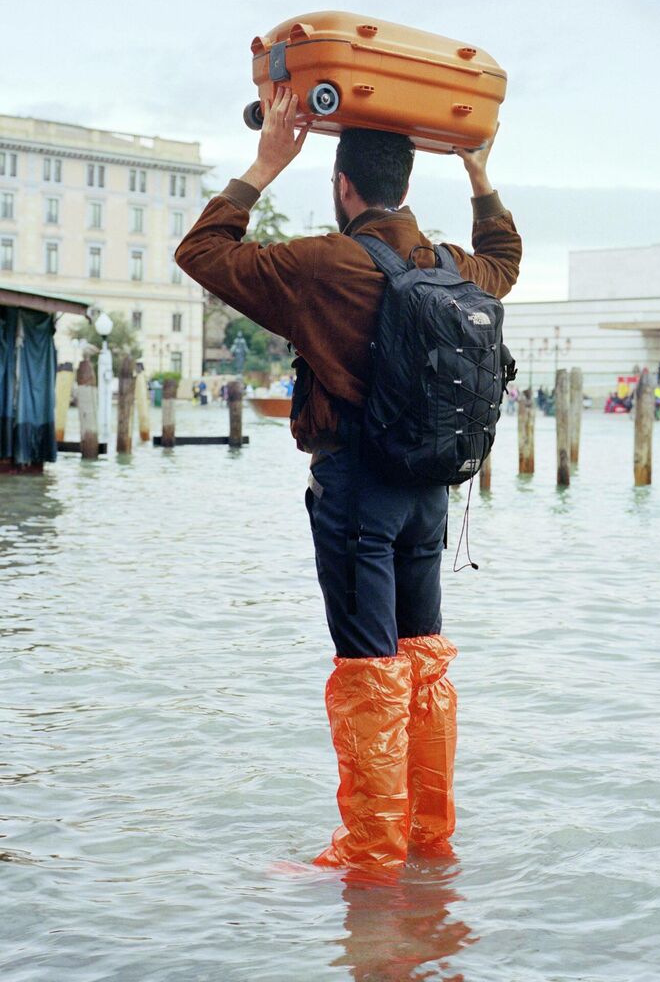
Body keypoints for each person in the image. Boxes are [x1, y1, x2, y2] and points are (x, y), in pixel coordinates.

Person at [175, 87, 522, 873]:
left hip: (358, 492)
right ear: (405, 183)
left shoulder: (324, 264)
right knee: (421, 657)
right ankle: (427, 838)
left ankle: (370, 857)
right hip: (429, 495)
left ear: (343, 186)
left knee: (368, 670)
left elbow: (202, 254)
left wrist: (265, 163)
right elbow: (504, 263)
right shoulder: (448, 266)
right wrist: (479, 173)